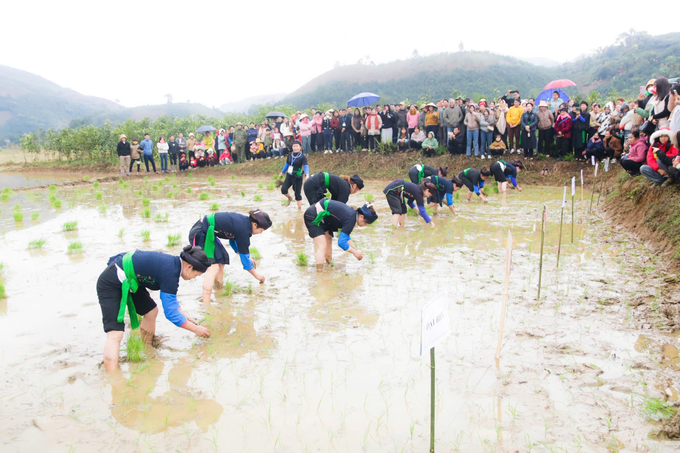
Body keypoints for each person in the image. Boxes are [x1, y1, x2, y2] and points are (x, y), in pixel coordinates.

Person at [96, 245, 211, 371]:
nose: (194, 278)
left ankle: (147, 350)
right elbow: (170, 313)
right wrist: (196, 329)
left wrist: (183, 314)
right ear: (189, 267)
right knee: (115, 334)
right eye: (197, 275)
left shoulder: (173, 266)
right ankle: (113, 380)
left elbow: (172, 304)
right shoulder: (171, 273)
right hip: (111, 282)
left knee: (151, 312)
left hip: (131, 278)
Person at [188, 209, 271, 303]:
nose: (260, 233)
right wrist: (257, 275)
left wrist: (247, 257)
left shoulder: (244, 223)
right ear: (255, 224)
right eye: (261, 230)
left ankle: (218, 290)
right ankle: (206, 303)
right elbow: (244, 260)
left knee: (221, 259)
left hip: (207, 231)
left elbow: (233, 240)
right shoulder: (244, 230)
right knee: (213, 267)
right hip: (200, 232)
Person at [303, 200, 378, 270]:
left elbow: (346, 235)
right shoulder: (351, 219)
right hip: (314, 215)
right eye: (366, 223)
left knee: (328, 239)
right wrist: (355, 252)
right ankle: (320, 274)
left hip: (324, 218)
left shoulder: (352, 215)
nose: (365, 225)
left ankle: (328, 265)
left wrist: (354, 249)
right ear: (361, 216)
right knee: (322, 245)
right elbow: (341, 242)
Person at [280, 141, 309, 210]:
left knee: (297, 194)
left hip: (298, 177)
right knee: (283, 189)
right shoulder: (290, 154)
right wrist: (282, 172)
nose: (295, 148)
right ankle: (289, 198)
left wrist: (307, 174)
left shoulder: (302, 157)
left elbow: (305, 166)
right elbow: (287, 164)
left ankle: (299, 210)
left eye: (297, 146)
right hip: (289, 175)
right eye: (294, 146)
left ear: (300, 147)